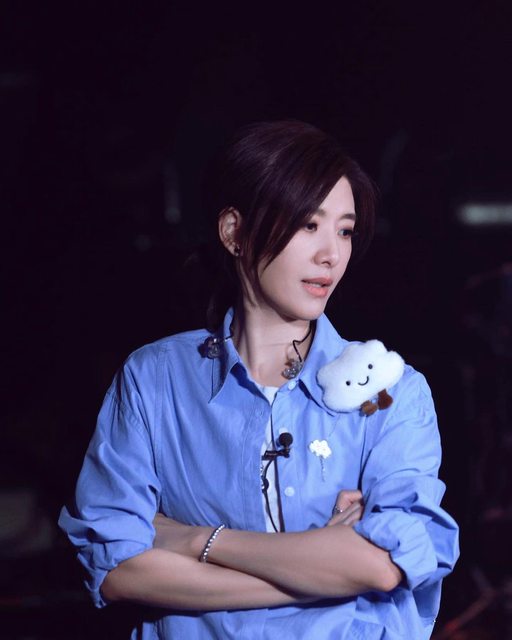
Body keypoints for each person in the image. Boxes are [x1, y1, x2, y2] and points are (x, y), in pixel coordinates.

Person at [59, 120, 459, 639]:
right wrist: (324, 570)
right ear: (234, 232)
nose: (331, 254)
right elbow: (117, 569)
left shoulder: (391, 391)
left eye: (344, 230)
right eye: (308, 225)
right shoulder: (154, 379)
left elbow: (387, 564)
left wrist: (198, 541)